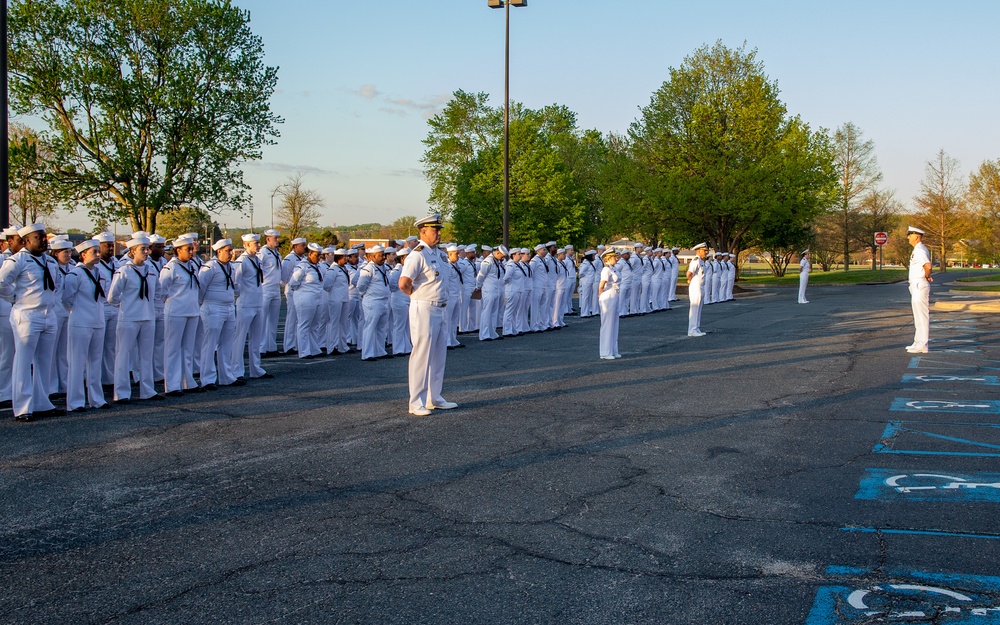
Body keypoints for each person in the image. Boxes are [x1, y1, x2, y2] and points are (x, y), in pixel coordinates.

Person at [0, 223, 65, 421]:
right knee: (23, 361)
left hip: (48, 315)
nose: (44, 240)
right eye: (39, 237)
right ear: (26, 240)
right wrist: (14, 297)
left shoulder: (50, 262)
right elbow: (1, 283)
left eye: (45, 237)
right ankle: (22, 407)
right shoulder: (17, 260)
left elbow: (57, 286)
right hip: (27, 315)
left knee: (44, 362)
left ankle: (41, 403)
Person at [398, 214, 457, 416]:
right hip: (424, 307)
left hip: (441, 307)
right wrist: (417, 296)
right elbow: (404, 283)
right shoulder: (417, 255)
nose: (439, 233)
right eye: (435, 230)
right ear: (423, 232)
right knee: (422, 355)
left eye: (439, 230)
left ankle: (435, 398)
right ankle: (416, 402)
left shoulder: (439, 255)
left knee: (439, 355)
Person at [108, 235, 163, 403]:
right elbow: (112, 296)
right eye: (142, 249)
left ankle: (148, 389)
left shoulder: (151, 270)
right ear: (132, 252)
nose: (146, 252)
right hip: (129, 317)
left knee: (146, 355)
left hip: (147, 316)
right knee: (124, 354)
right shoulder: (124, 270)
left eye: (147, 249)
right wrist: (126, 306)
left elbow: (158, 291)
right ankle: (122, 393)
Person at [64, 240, 110, 412]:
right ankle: (75, 402)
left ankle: (97, 399)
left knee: (95, 362)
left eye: (98, 251)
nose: (98, 255)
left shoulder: (99, 272)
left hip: (97, 321)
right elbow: (66, 299)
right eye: (94, 252)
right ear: (83, 255)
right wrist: (78, 313)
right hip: (81, 322)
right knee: (77, 363)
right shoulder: (75, 274)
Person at [161, 235, 203, 396]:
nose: (191, 252)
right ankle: (171, 385)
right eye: (188, 249)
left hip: (191, 310)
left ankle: (187, 381)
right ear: (177, 250)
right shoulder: (170, 268)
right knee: (172, 349)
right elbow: (162, 291)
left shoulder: (192, 265)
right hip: (176, 312)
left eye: (192, 249)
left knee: (188, 349)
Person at [198, 239, 240, 388]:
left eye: (231, 250)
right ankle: (207, 379)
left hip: (228, 307)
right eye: (228, 251)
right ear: (219, 251)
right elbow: (200, 288)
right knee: (210, 344)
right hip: (212, 307)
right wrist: (203, 304)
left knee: (226, 343)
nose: (231, 253)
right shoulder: (209, 267)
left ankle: (226, 376)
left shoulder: (231, 267)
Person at [231, 233, 271, 381]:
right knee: (240, 338)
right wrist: (241, 295)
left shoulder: (258, 260)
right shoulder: (241, 262)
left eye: (258, 243)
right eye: (255, 243)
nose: (258, 245)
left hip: (257, 302)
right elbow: (235, 283)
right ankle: (237, 371)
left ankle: (256, 368)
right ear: (246, 245)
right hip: (246, 303)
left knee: (256, 338)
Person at [288, 242, 331, 359]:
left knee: (314, 324)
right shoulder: (302, 266)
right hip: (305, 297)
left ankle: (314, 348)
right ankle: (304, 351)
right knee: (304, 325)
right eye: (316, 255)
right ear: (310, 254)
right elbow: (293, 283)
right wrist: (302, 292)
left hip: (317, 297)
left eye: (320, 255)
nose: (319, 258)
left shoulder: (319, 266)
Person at [356, 244, 391, 361]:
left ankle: (380, 351)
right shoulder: (368, 268)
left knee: (381, 327)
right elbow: (361, 285)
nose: (383, 258)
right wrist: (365, 293)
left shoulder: (383, 267)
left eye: (383, 255)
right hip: (373, 301)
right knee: (370, 327)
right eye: (380, 256)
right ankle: (367, 353)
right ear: (372, 257)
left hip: (383, 301)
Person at [906, 227, 933, 354]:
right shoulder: (917, 250)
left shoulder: (920, 250)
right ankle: (918, 342)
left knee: (921, 315)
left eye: (910, 235)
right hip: (916, 284)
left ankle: (922, 344)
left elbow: (927, 266)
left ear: (916, 236)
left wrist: (927, 275)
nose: (908, 237)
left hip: (920, 284)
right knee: (917, 315)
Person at [281, 237, 308, 354]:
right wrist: (289, 286)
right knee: (292, 318)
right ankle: (289, 345)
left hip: (300, 292)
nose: (305, 247)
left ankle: (296, 344)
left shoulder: (303, 259)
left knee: (299, 319)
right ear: (296, 246)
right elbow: (284, 277)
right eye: (302, 245)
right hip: (292, 291)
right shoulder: (289, 259)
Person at [259, 229, 283, 357]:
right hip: (265, 287)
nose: (277, 240)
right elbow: (258, 269)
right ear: (268, 239)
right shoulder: (263, 252)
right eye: (275, 238)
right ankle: (261, 348)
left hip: (275, 288)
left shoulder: (277, 254)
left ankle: (271, 346)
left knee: (273, 319)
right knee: (262, 319)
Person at [598, 248, 622, 360]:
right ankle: (605, 352)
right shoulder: (606, 270)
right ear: (608, 258)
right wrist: (601, 295)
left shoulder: (613, 268)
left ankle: (613, 349)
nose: (616, 259)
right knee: (607, 324)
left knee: (614, 324)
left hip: (615, 295)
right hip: (608, 296)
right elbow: (601, 285)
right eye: (614, 257)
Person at [687, 243, 708, 337]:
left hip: (701, 285)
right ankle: (692, 329)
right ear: (698, 251)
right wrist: (691, 280)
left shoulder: (701, 261)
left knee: (699, 308)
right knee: (695, 307)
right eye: (704, 250)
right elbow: (689, 273)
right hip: (696, 285)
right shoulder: (696, 261)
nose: (706, 252)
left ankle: (696, 327)